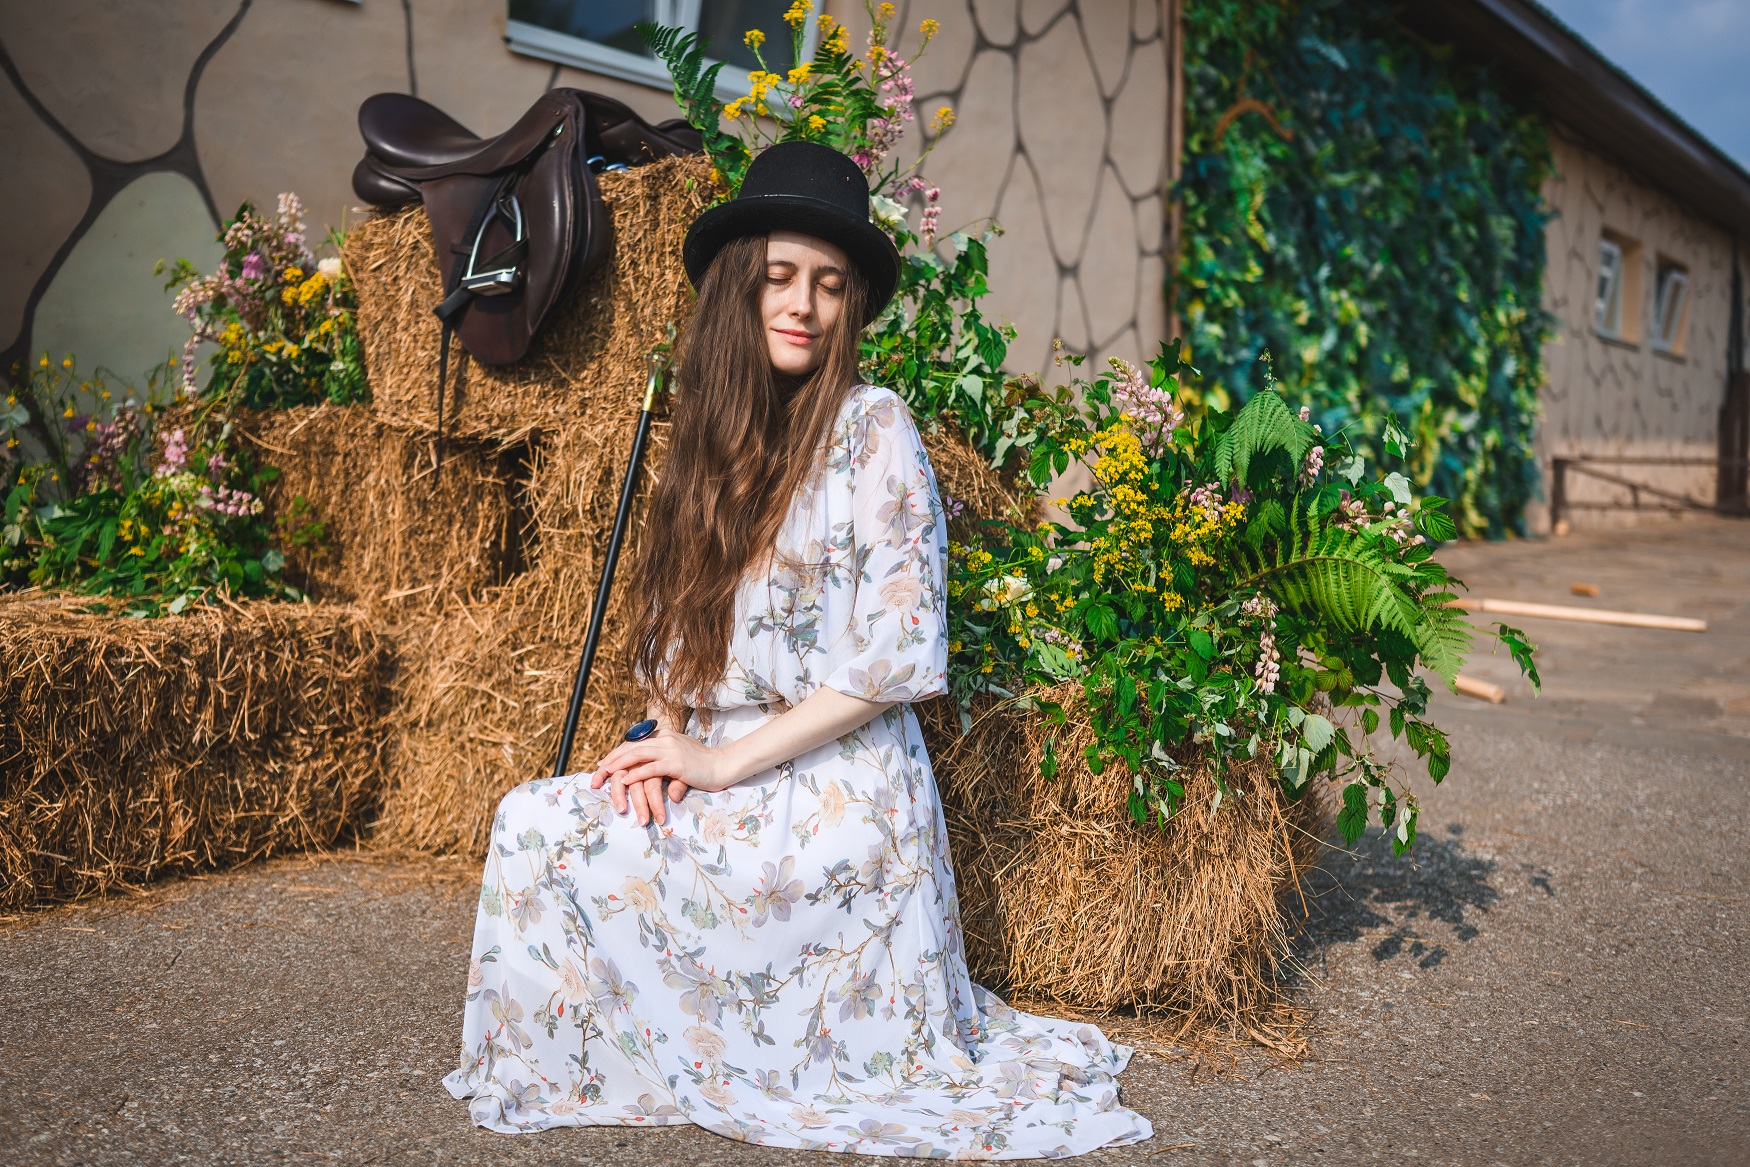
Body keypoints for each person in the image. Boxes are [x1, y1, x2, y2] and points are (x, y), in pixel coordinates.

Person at [442, 140, 1152, 1158]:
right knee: (532, 822)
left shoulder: (873, 428)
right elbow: (674, 640)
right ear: (741, 285)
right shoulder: (711, 442)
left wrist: (719, 763)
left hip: (834, 789)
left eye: (828, 284)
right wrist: (662, 745)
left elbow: (896, 657)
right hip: (721, 766)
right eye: (780, 276)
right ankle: (625, 1059)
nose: (803, 305)